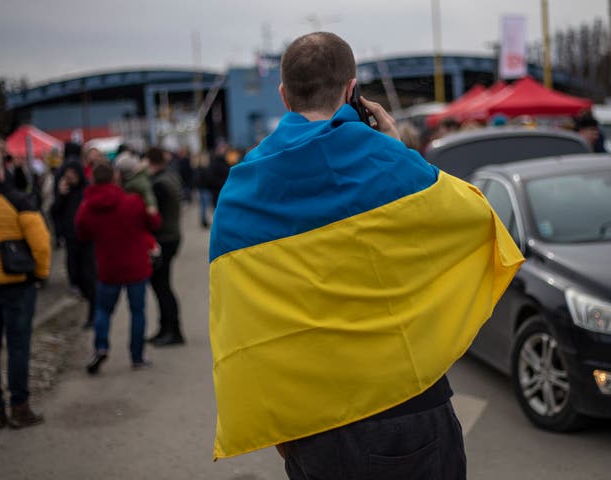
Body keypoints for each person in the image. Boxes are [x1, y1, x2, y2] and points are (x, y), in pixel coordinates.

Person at [208, 32, 524, 479]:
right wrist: (398, 150)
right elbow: (480, 221)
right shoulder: (393, 164)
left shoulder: (240, 192)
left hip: (312, 423)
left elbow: (240, 322)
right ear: (352, 90)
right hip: (410, 407)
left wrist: (280, 424)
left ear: (283, 95)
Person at [0, 150, 51, 429]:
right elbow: (41, 243)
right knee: (18, 347)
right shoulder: (16, 200)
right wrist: (40, 275)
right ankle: (20, 407)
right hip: (16, 285)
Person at [75, 162, 161, 373]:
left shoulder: (87, 207)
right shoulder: (132, 202)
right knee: (137, 312)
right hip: (135, 265)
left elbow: (82, 233)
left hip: (107, 267)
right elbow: (153, 223)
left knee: (103, 310)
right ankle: (137, 356)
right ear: (115, 178)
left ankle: (101, 347)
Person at [146, 147, 185, 346]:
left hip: (164, 238)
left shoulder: (158, 184)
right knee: (163, 285)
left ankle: (172, 330)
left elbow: (154, 217)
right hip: (173, 235)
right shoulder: (170, 176)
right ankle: (166, 328)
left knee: (161, 286)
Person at [51, 161, 97, 328]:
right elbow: (54, 212)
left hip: (87, 241)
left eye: (72, 172)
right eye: (67, 172)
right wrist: (61, 195)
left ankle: (93, 314)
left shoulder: (87, 191)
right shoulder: (64, 192)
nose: (69, 176)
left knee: (90, 277)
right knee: (75, 275)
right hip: (71, 240)